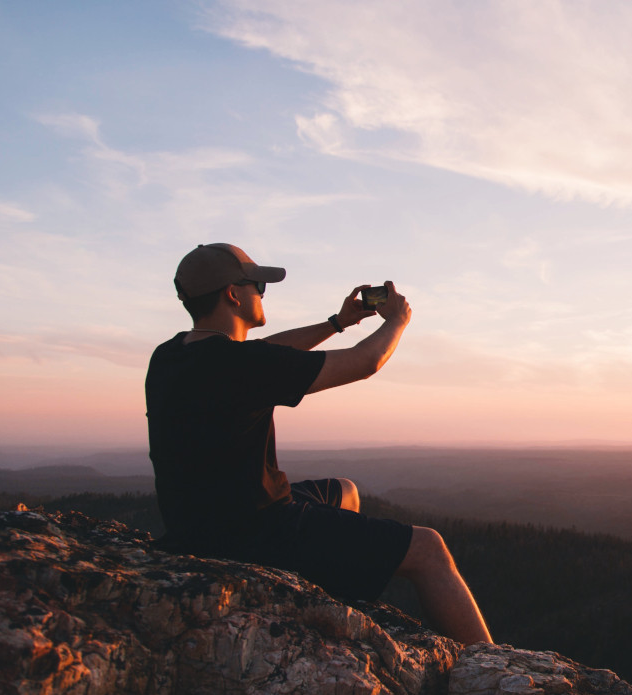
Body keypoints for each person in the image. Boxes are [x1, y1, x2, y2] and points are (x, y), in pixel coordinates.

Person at [145, 242, 491, 646]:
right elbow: (364, 362)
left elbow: (267, 352)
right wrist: (397, 321)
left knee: (344, 491)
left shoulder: (170, 356)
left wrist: (336, 322)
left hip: (196, 525)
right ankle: (490, 666)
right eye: (258, 285)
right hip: (252, 532)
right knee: (428, 549)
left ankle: (328, 585)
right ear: (233, 294)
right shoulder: (240, 365)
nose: (262, 293)